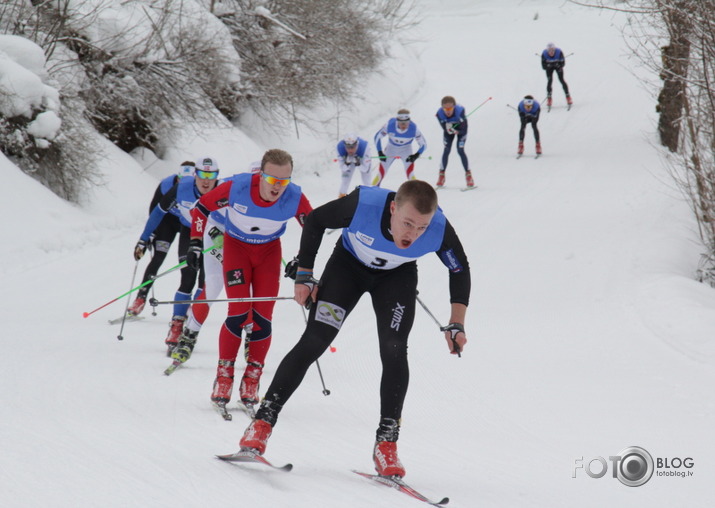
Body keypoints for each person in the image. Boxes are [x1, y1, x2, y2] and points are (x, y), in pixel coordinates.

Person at [237, 180, 470, 479]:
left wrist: (456, 323)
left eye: (421, 227)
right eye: (407, 223)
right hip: (347, 268)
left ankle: (386, 444)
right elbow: (317, 220)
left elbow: (459, 268)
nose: (412, 234)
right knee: (316, 339)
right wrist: (305, 275)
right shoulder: (363, 204)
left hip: (396, 278)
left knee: (394, 348)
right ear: (393, 208)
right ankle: (262, 423)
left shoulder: (439, 228)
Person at [187, 149, 313, 414]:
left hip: (268, 253)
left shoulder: (294, 196)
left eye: (284, 180)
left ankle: (252, 379)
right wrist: (196, 243)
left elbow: (314, 228)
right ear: (260, 175)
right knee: (239, 311)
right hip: (237, 250)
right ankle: (224, 375)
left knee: (263, 315)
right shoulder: (238, 187)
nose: (277, 186)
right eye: (272, 180)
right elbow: (201, 209)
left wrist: (302, 263)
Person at [172, 161, 262, 365]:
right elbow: (198, 211)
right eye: (256, 180)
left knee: (248, 289)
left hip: (246, 242)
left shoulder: (275, 195)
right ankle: (189, 335)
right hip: (218, 235)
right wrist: (209, 234)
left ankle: (251, 337)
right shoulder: (231, 186)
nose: (260, 187)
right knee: (213, 284)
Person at [134, 156, 221, 355]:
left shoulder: (222, 190)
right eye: (202, 175)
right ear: (195, 174)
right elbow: (157, 212)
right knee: (188, 276)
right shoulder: (181, 188)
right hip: (189, 233)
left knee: (205, 282)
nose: (206, 181)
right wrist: (143, 238)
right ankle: (177, 325)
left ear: (217, 176)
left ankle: (192, 326)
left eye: (211, 176)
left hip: (212, 236)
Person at [127, 161, 195, 316]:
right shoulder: (165, 185)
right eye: (180, 179)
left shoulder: (196, 188)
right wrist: (148, 236)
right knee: (158, 257)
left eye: (186, 181)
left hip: (187, 225)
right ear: (177, 177)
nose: (182, 184)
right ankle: (140, 298)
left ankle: (186, 303)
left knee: (187, 262)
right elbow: (154, 211)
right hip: (168, 223)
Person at [373, 109, 427, 186]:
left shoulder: (414, 128)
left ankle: (416, 192)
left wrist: (416, 155)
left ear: (409, 121)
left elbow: (424, 144)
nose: (403, 126)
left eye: (406, 123)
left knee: (410, 174)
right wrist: (380, 152)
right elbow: (377, 137)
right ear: (397, 121)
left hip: (406, 149)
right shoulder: (390, 125)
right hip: (391, 148)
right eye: (401, 123)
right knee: (380, 173)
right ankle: (371, 189)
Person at [435, 96, 473, 189]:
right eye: (445, 108)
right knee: (446, 150)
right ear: (442, 108)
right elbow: (444, 128)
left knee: (460, 150)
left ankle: (468, 176)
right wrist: (448, 128)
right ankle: (441, 175)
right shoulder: (439, 114)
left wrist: (457, 131)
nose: (448, 111)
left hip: (460, 131)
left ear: (454, 107)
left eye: (450, 108)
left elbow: (464, 129)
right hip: (449, 131)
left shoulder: (460, 112)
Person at [335, 133, 373, 198]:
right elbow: (343, 168)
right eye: (347, 147)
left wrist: (358, 164)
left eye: (352, 147)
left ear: (357, 144)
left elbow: (365, 169)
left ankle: (370, 197)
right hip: (348, 159)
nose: (350, 150)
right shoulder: (339, 148)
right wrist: (347, 163)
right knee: (345, 181)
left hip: (361, 159)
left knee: (367, 182)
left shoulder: (364, 147)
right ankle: (341, 200)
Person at [541, 42, 572, 108]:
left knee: (561, 80)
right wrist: (548, 66)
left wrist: (558, 65)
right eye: (549, 50)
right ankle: (549, 98)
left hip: (558, 67)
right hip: (549, 68)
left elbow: (563, 63)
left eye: (552, 50)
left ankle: (568, 96)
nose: (551, 52)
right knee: (549, 81)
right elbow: (543, 67)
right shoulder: (544, 54)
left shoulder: (559, 52)